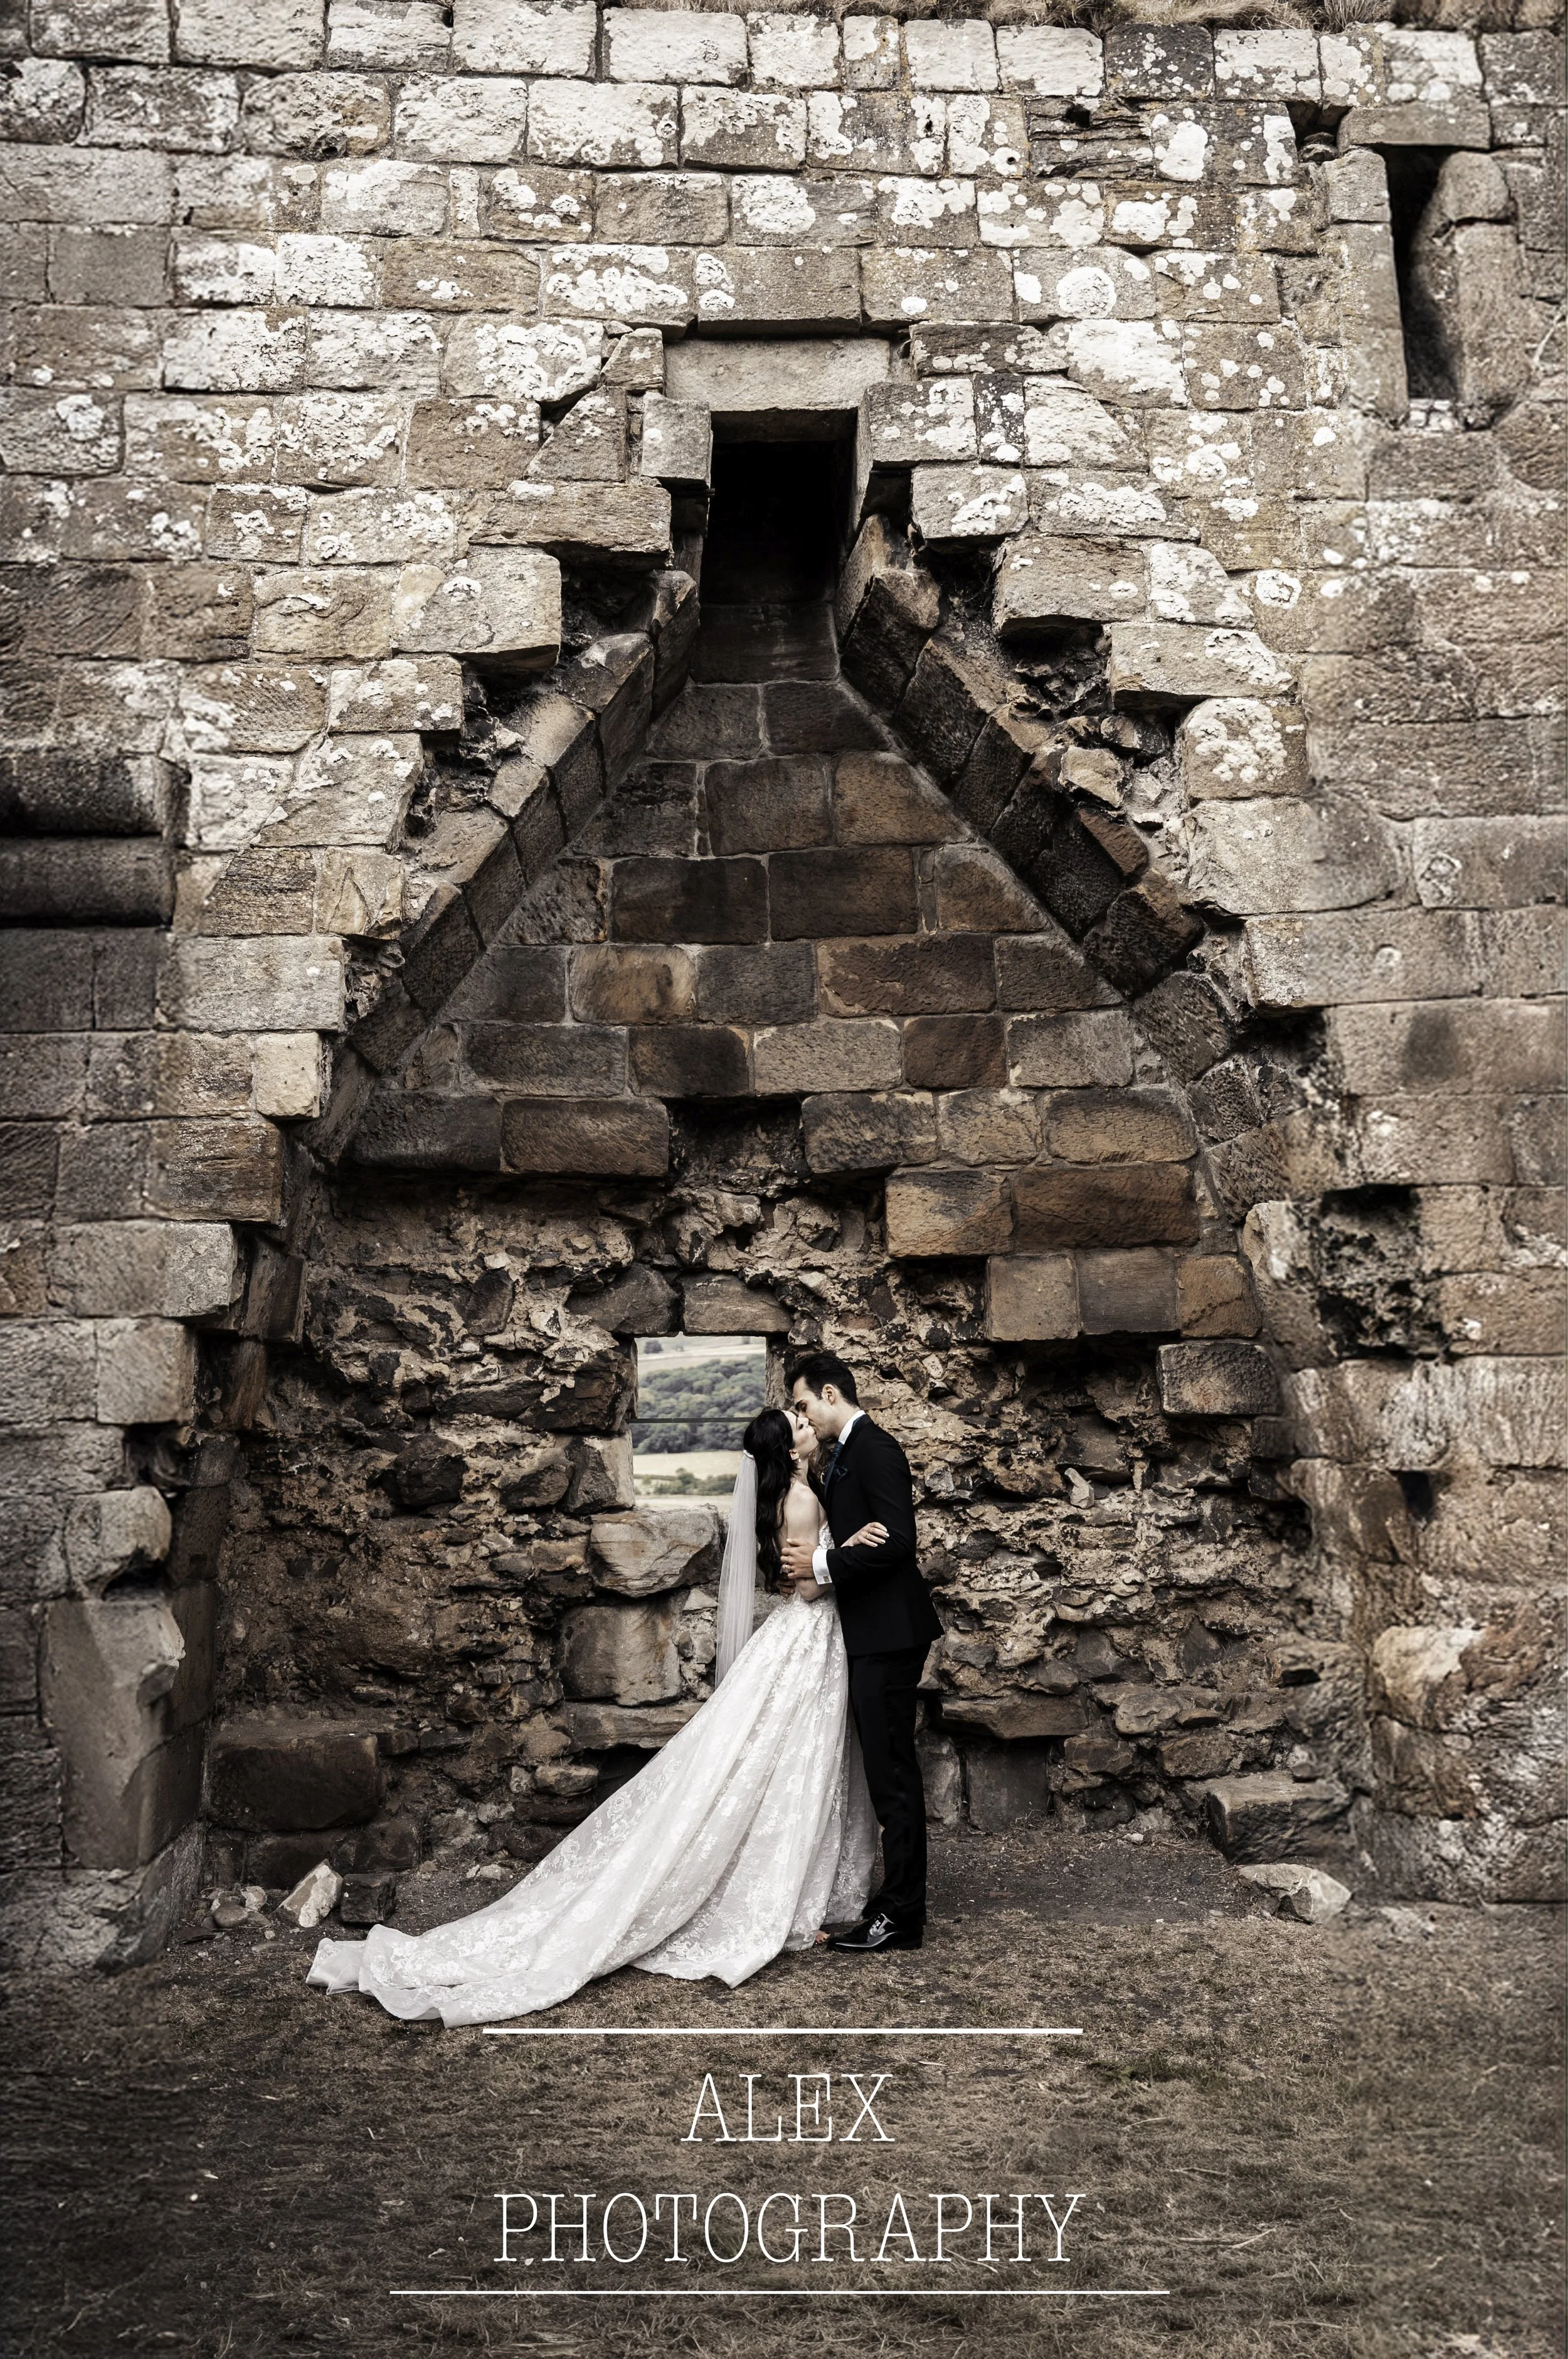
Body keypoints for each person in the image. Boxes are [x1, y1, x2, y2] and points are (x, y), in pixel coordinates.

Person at [305, 1406, 884, 2026]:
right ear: (785, 1448)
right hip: (808, 1635)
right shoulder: (798, 1499)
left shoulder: (797, 1491)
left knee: (790, 1764)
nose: (804, 1422)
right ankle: (773, 1897)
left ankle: (798, 1882)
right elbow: (808, 1589)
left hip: (806, 1643)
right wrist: (848, 1549)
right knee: (784, 1764)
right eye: (796, 1420)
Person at [784, 1352, 945, 1954]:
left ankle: (901, 1917)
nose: (802, 1414)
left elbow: (899, 1540)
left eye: (804, 1404)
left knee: (894, 1779)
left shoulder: (876, 1448)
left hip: (889, 1635)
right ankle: (892, 1904)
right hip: (871, 1634)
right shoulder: (843, 1454)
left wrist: (822, 1562)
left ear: (830, 1392)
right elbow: (855, 1525)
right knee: (886, 1777)